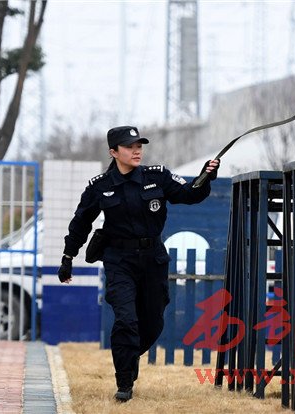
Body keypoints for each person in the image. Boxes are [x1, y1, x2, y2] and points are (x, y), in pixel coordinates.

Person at [57, 126, 219, 402]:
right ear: (113, 152)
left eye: (139, 146)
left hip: (153, 259)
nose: (136, 151)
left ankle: (128, 357)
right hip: (119, 261)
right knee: (126, 320)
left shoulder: (157, 176)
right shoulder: (100, 186)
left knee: (153, 323)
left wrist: (206, 176)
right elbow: (80, 223)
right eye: (129, 146)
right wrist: (68, 257)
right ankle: (124, 381)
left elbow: (189, 194)